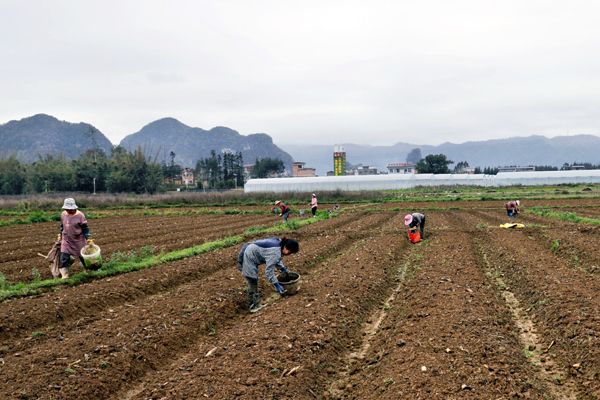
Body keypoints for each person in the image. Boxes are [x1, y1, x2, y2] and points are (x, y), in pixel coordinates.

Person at [237, 237, 300, 313]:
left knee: (253, 279)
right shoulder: (275, 251)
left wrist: (283, 268)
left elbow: (276, 259)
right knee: (252, 279)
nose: (290, 254)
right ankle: (254, 306)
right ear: (286, 248)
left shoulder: (280, 244)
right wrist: (276, 284)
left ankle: (254, 303)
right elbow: (269, 271)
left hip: (251, 249)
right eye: (290, 252)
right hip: (249, 255)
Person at [58, 198, 92, 279]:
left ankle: (89, 270)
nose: (69, 211)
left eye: (71, 209)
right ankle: (65, 275)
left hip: (78, 239)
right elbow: (62, 226)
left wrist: (88, 238)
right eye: (67, 209)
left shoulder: (80, 215)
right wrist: (60, 234)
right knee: (64, 256)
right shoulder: (63, 214)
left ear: (74, 208)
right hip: (66, 239)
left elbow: (85, 228)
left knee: (83, 256)